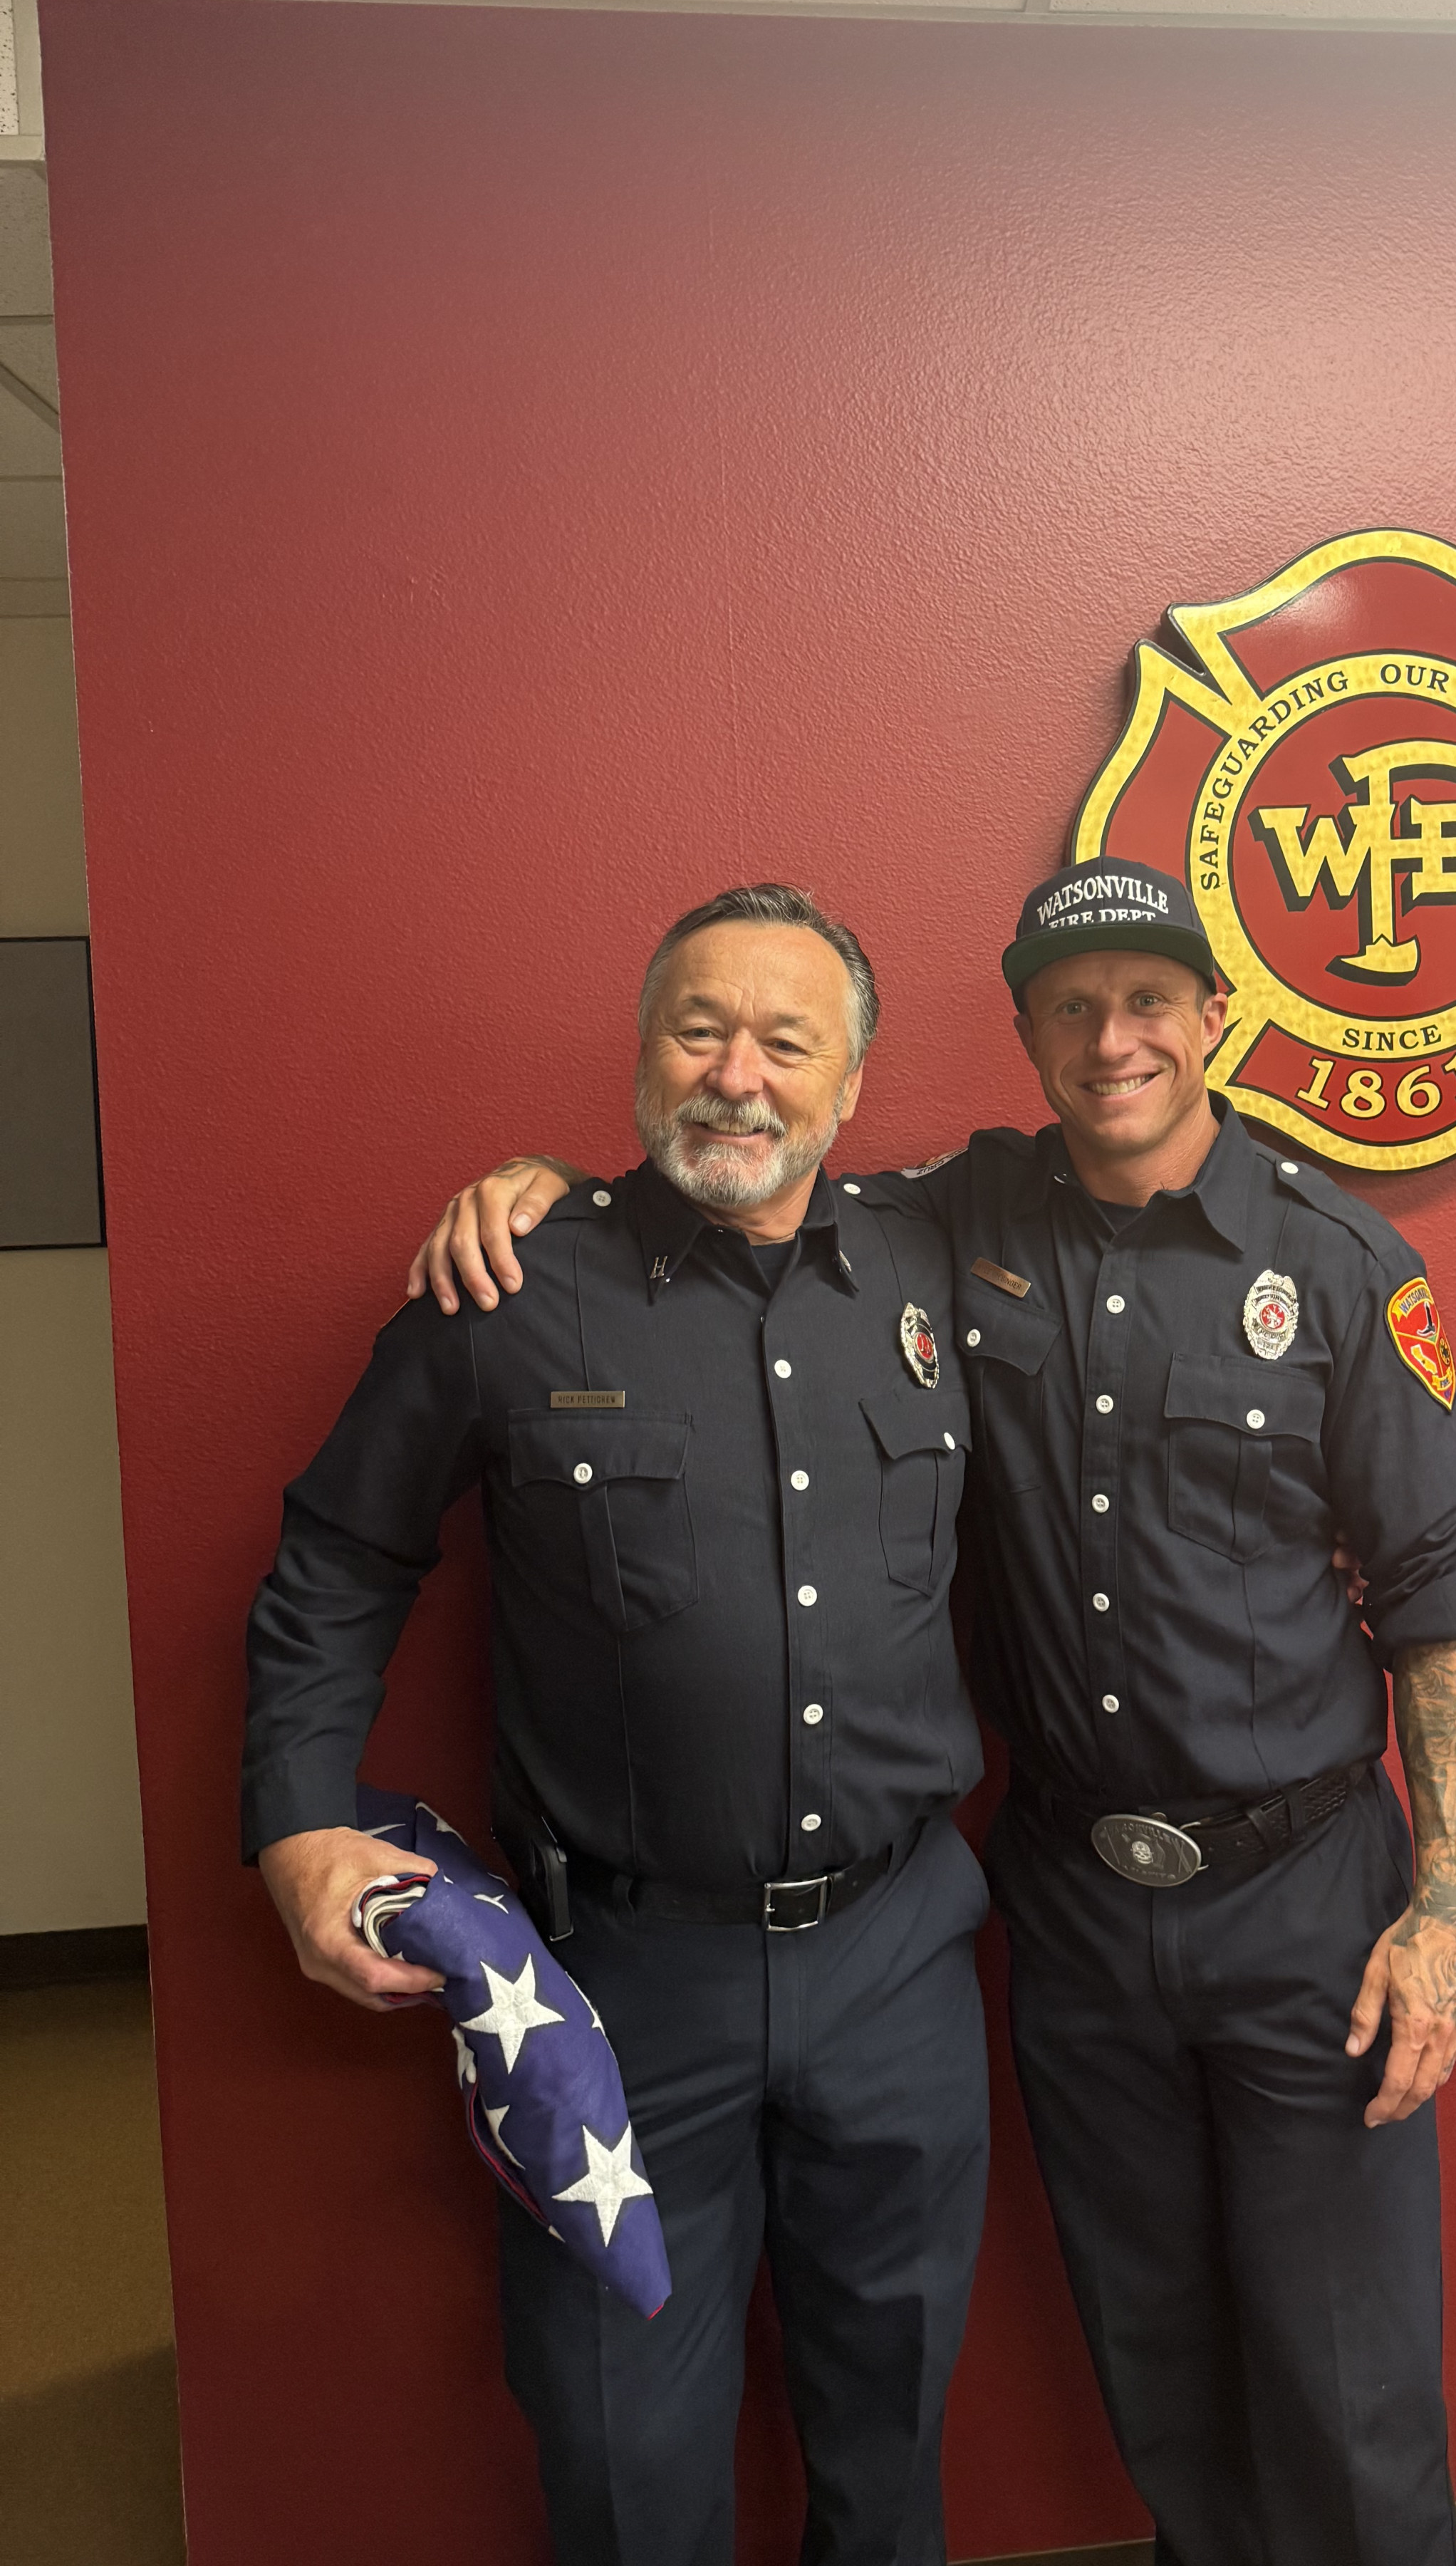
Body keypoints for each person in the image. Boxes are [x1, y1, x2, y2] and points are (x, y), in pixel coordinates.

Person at [415, 863, 1456, 2566]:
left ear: (1216, 1016)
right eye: (1072, 1006)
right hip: (1073, 1901)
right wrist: (557, 1193)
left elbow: (1440, 1587)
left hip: (1308, 1902)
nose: (1113, 1037)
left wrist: (1445, 1909)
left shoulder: (1341, 1260)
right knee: (1155, 2355)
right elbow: (745, 1179)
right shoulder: (951, 1221)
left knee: (1346, 2376)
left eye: (1149, 998)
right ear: (1027, 1032)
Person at [244, 885, 992, 2566]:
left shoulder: (939, 1261)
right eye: (697, 1029)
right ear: (642, 1050)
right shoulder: (509, 1282)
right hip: (623, 1989)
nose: (737, 1074)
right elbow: (340, 1554)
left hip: (900, 1962)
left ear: (852, 1082)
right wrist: (296, 1821)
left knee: (893, 2431)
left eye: (786, 1040)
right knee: (619, 2458)